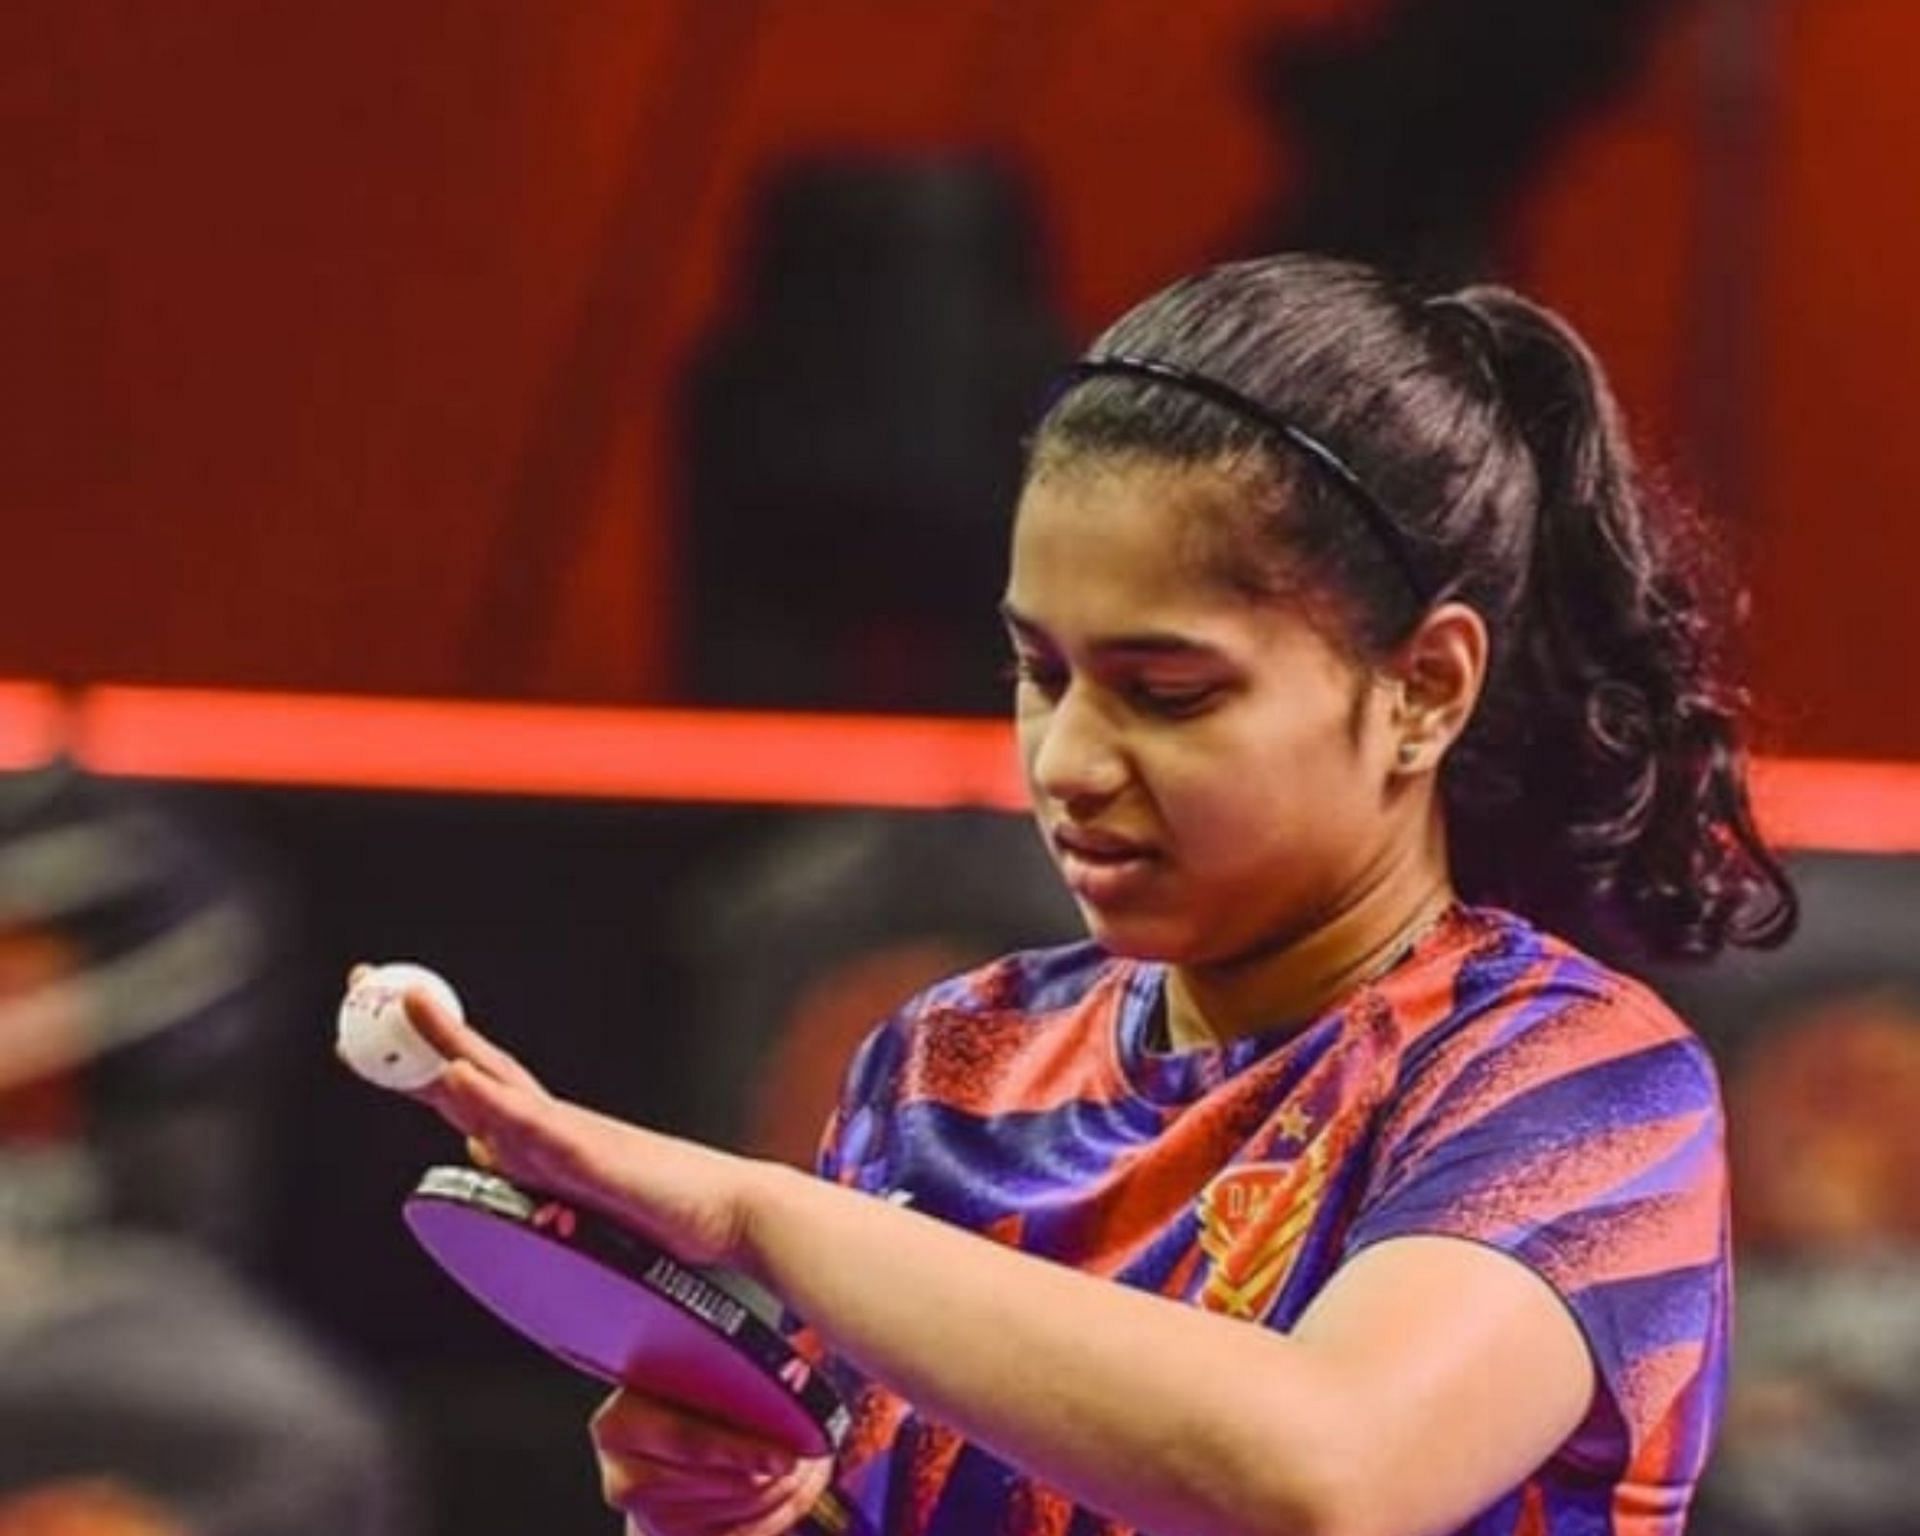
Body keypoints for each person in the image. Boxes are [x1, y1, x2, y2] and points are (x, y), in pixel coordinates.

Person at [380, 254, 1798, 1536]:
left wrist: (760, 1222)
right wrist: (727, 1517)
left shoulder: (1574, 1090)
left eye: (1167, 694)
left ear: (1423, 688)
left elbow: (1329, 1476)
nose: (1067, 762)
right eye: (1038, 672)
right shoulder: (955, 1069)